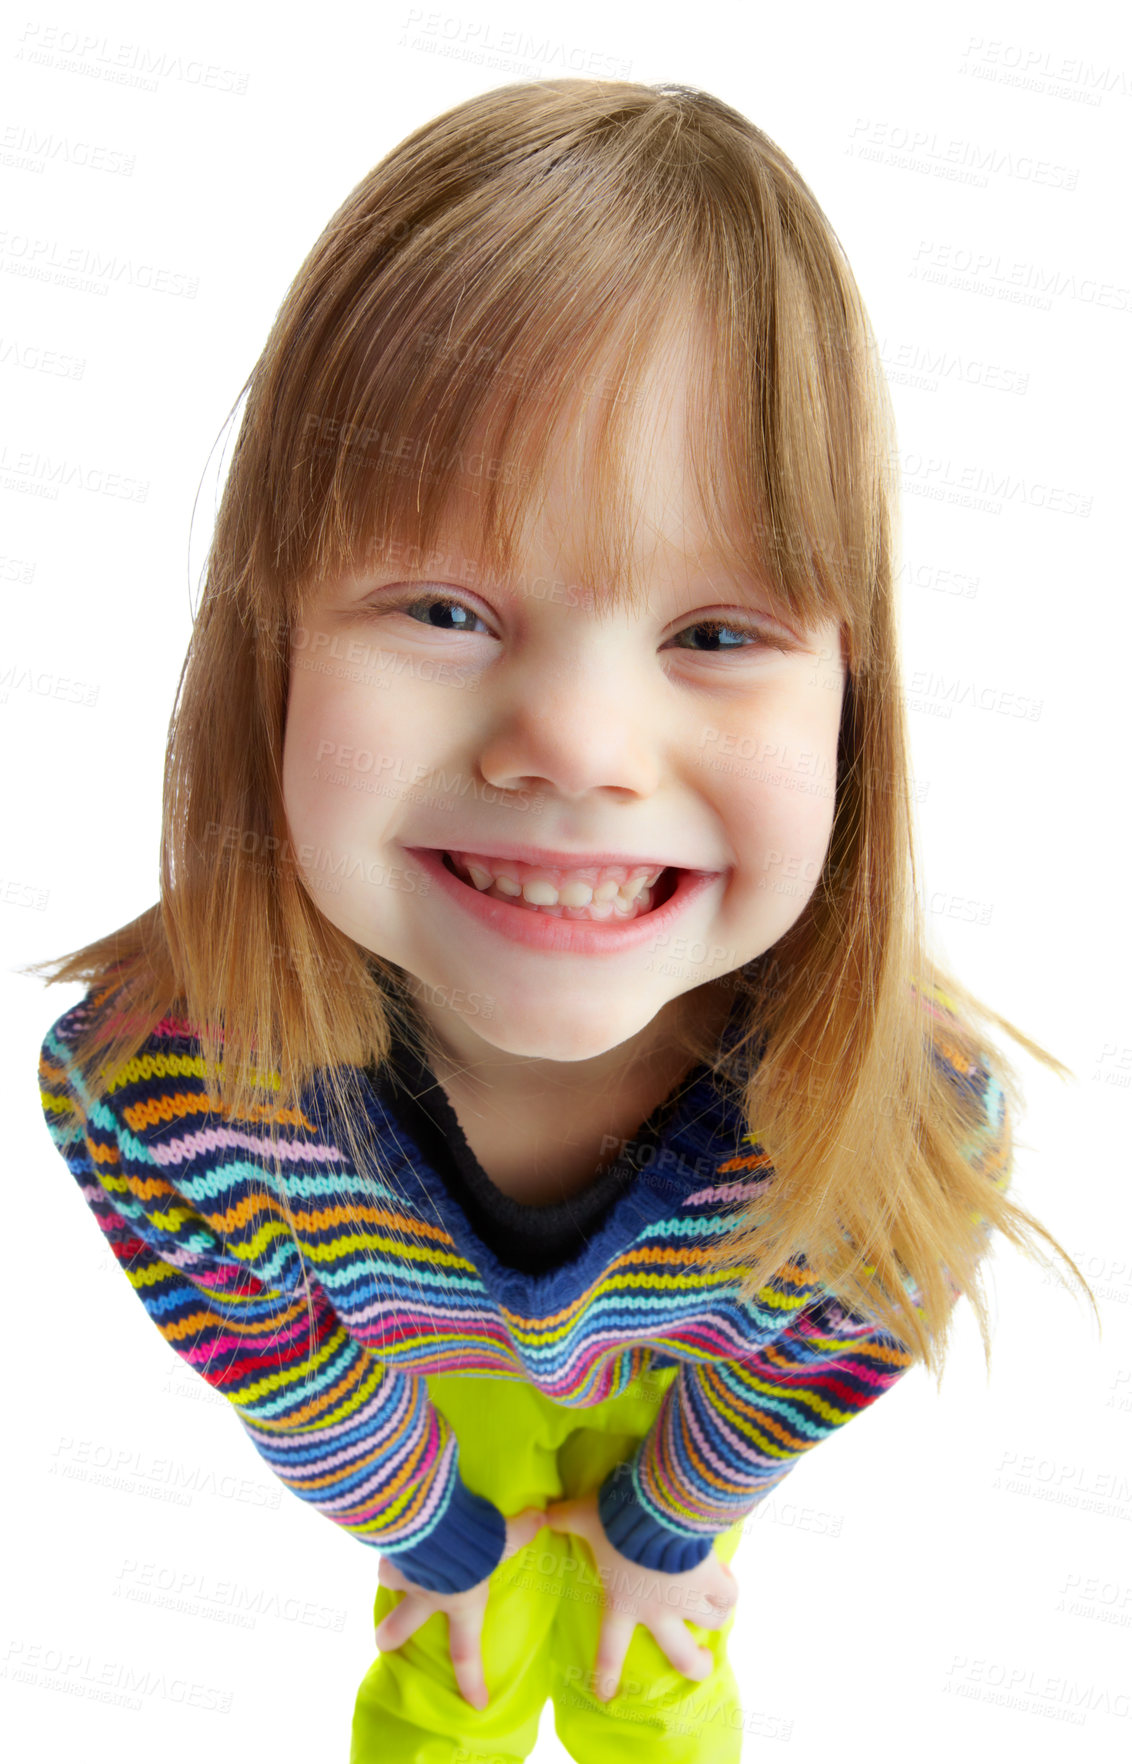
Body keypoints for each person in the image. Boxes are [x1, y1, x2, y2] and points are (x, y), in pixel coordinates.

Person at [31, 78, 1095, 1763]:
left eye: (719, 634)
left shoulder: (905, 1115)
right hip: (400, 1395)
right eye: (447, 607)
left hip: (684, 1398)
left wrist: (668, 1524)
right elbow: (275, 1355)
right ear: (271, 644)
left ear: (851, 706)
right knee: (448, 1696)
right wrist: (435, 1539)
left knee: (646, 1685)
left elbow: (831, 1345)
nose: (582, 750)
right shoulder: (160, 1085)